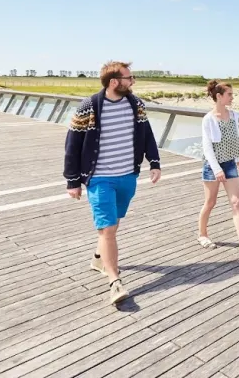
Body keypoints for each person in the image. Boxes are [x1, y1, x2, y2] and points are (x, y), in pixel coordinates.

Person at [64, 61, 162, 306]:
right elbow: (72, 145)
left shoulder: (136, 104)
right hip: (99, 178)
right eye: (129, 78)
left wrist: (155, 162)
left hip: (128, 176)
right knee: (107, 230)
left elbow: (147, 134)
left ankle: (98, 259)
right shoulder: (88, 107)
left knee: (113, 226)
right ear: (114, 81)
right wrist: (72, 181)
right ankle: (114, 282)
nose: (133, 82)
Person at [199, 80, 239, 255]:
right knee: (210, 202)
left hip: (230, 163)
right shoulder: (208, 119)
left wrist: (237, 156)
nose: (232, 97)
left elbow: (235, 137)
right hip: (213, 166)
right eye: (229, 94)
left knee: (236, 202)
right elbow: (207, 147)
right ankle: (202, 234)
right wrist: (217, 169)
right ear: (219, 97)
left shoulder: (234, 115)